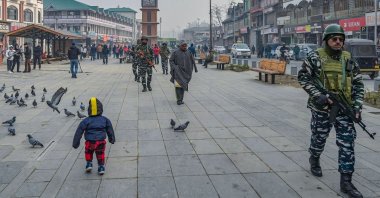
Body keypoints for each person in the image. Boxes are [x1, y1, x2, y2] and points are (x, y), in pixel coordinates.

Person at [298, 24, 364, 198]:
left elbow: (358, 83)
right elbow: (303, 77)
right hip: (322, 108)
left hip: (344, 108)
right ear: (326, 40)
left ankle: (346, 182)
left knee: (347, 144)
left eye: (341, 39)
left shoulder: (348, 58)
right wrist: (318, 95)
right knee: (319, 137)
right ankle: (314, 157)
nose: (338, 42)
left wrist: (357, 106)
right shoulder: (315, 57)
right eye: (334, 39)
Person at [72, 97, 115, 175]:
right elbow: (110, 129)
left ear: (89, 110)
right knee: (100, 153)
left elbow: (79, 131)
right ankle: (101, 167)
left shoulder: (86, 120)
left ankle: (89, 163)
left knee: (88, 152)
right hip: (101, 141)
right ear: (101, 109)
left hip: (90, 141)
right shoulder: (105, 119)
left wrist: (75, 143)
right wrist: (112, 139)